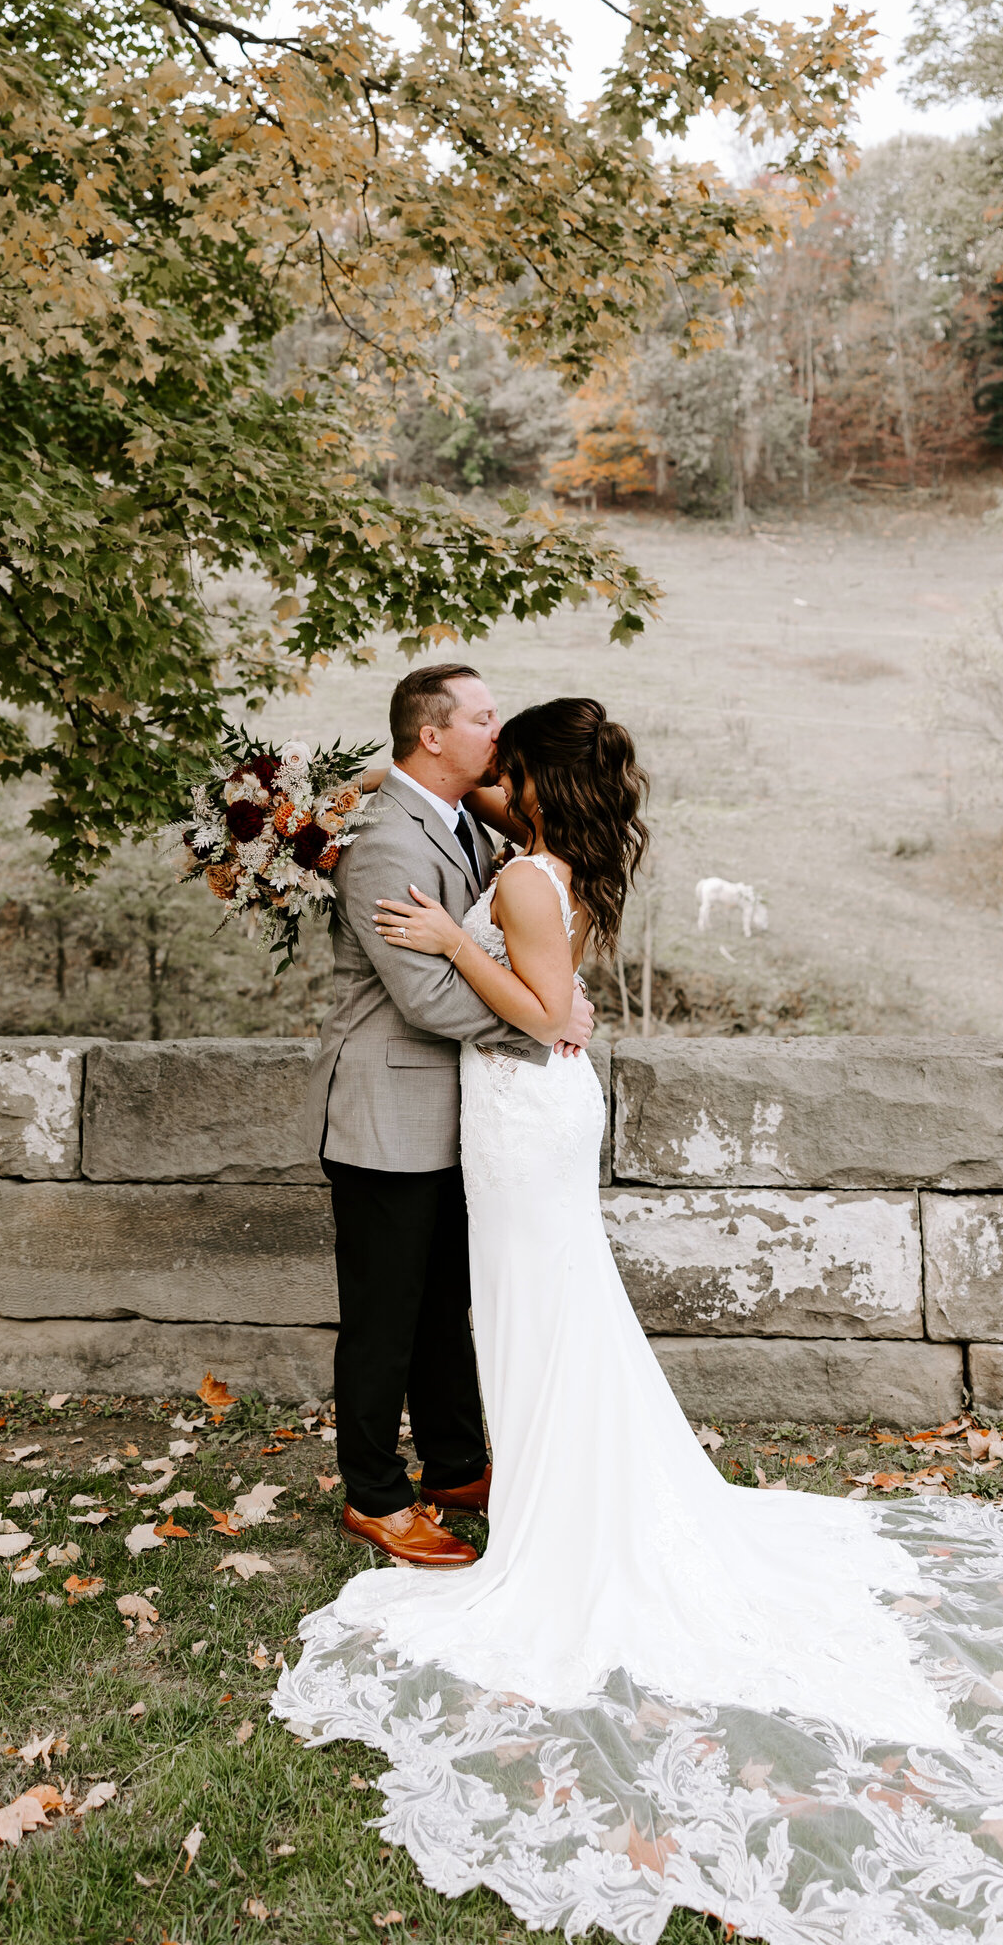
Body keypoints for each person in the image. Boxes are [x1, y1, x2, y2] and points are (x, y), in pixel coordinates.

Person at [280, 696, 1003, 1944]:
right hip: (522, 1117)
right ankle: (534, 1471)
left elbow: (548, 1011)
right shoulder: (531, 860)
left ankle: (553, 1496)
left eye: (507, 761)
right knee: (539, 1301)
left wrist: (457, 949)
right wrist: (416, 861)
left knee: (541, 1300)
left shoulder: (517, 876)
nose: (491, 772)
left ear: (533, 783)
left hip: (526, 1109)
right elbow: (550, 996)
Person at [303, 662, 594, 1571]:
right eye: (484, 718)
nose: (498, 733)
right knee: (385, 1316)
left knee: (442, 1306)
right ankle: (375, 1496)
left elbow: (549, 825)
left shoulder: (462, 812)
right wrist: (543, 1025)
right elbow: (426, 997)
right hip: (386, 1108)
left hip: (458, 1110)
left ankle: (457, 1467)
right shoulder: (387, 843)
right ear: (433, 736)